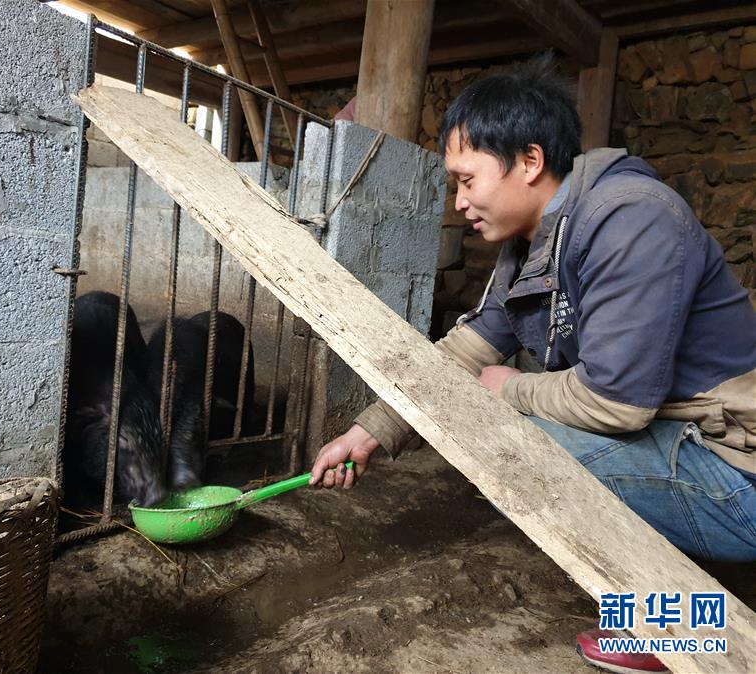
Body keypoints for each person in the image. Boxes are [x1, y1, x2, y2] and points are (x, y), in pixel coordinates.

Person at [309, 54, 756, 674]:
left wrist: (511, 390)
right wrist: (368, 433)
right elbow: (462, 356)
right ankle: (672, 605)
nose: (459, 202)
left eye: (467, 180)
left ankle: (675, 627)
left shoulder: (630, 218)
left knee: (505, 437)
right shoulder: (535, 246)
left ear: (529, 160)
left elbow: (617, 405)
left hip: (738, 471)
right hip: (685, 443)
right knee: (494, 425)